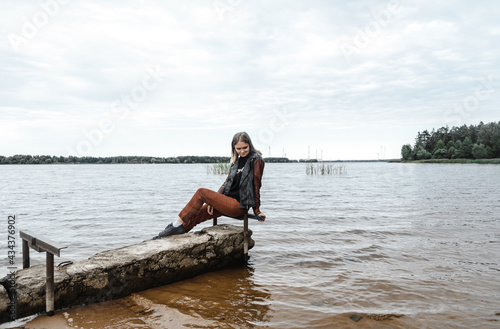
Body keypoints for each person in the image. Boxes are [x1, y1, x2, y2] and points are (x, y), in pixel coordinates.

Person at [153, 131, 266, 239]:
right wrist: (213, 201)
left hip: (239, 206)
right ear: (234, 148)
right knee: (198, 214)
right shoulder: (236, 162)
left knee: (201, 192)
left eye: (245, 148)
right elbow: (226, 183)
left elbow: (256, 185)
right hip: (227, 202)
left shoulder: (256, 160)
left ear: (250, 145)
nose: (242, 151)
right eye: (238, 149)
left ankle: (175, 224)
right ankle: (169, 234)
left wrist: (257, 211)